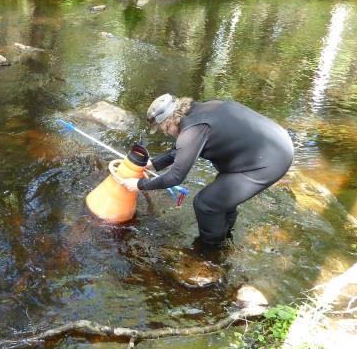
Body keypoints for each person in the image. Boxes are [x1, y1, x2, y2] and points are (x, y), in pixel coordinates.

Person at [120, 94, 294, 246]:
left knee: (206, 204)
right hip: (273, 144)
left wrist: (140, 184)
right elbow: (181, 150)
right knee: (221, 198)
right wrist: (154, 164)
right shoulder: (203, 110)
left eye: (163, 130)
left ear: (168, 123)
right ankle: (226, 237)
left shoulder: (192, 132)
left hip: (269, 162)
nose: (166, 133)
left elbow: (175, 177)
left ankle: (211, 250)